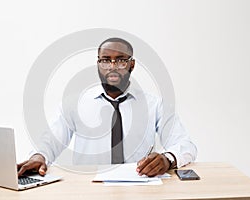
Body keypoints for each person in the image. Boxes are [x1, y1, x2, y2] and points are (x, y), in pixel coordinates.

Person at [18, 38, 197, 177]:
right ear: (98, 64)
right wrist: (38, 157)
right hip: (89, 190)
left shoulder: (155, 105)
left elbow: (185, 145)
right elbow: (50, 140)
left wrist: (167, 159)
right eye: (105, 60)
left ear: (131, 65)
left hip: (139, 189)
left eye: (120, 61)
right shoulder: (74, 104)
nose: (112, 67)